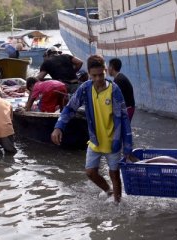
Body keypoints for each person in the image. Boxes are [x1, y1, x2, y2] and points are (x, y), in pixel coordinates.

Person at [51, 55, 134, 204]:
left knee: (114, 174)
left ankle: (117, 203)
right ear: (89, 74)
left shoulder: (114, 90)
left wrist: (127, 147)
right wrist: (58, 127)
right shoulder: (85, 88)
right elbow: (70, 108)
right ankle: (108, 191)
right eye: (93, 75)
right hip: (95, 140)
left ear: (105, 71)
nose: (97, 79)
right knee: (90, 172)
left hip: (112, 141)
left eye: (100, 75)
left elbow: (124, 119)